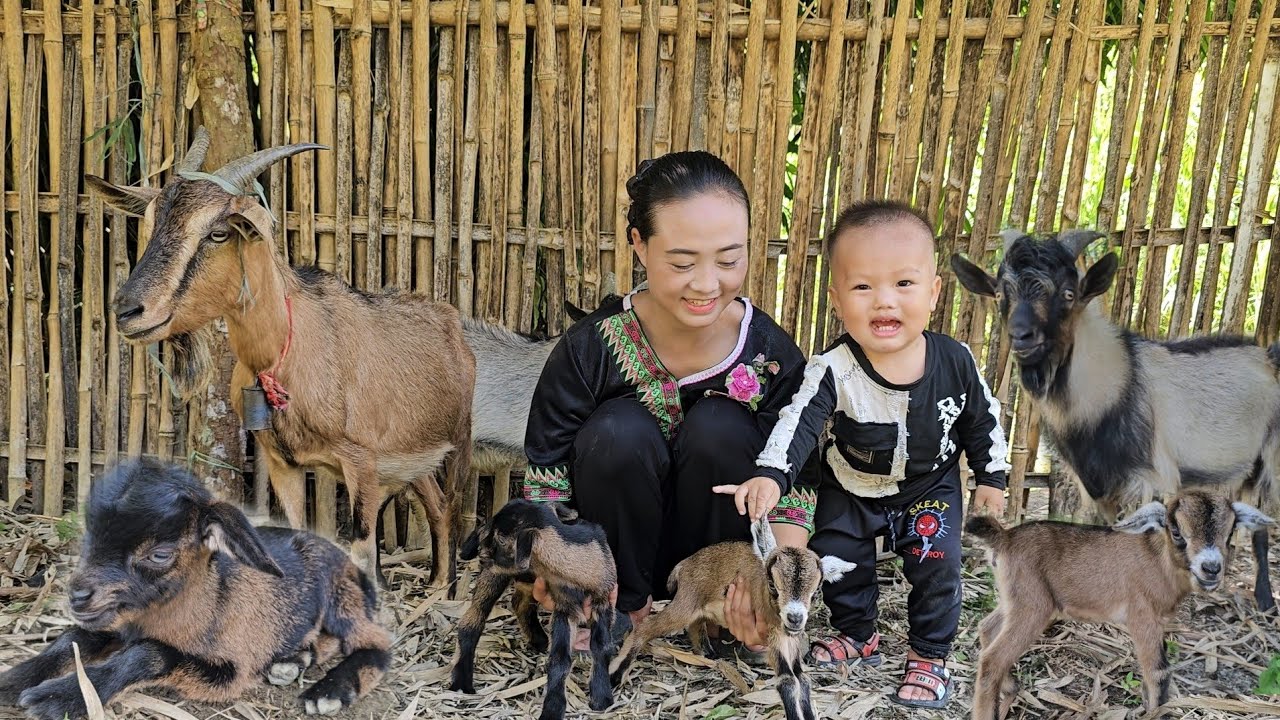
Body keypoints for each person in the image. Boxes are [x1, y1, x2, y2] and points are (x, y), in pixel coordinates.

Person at [521, 150, 813, 656]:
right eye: (682, 262)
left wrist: (776, 586)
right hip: (611, 558)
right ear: (639, 244)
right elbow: (546, 467)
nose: (706, 283)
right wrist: (552, 562)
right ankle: (621, 603)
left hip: (721, 569)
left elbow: (796, 474)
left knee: (721, 426)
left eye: (729, 259)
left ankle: (720, 613)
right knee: (616, 431)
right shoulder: (590, 349)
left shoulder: (771, 354)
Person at [733, 199, 1010, 709]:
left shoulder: (955, 361)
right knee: (838, 557)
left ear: (932, 292)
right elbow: (798, 422)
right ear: (837, 299)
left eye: (903, 284)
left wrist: (991, 477)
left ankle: (930, 654)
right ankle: (858, 633)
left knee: (936, 564)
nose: (884, 301)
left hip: (930, 487)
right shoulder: (832, 368)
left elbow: (983, 420)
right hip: (852, 486)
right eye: (863, 287)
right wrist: (771, 474)